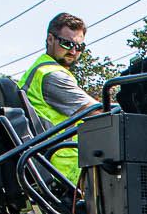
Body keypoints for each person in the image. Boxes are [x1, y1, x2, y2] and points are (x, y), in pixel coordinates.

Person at [11, 11, 100, 186]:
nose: (73, 51)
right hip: (67, 168)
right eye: (67, 44)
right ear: (50, 39)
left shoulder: (37, 71)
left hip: (55, 164)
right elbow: (96, 112)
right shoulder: (52, 75)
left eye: (79, 47)